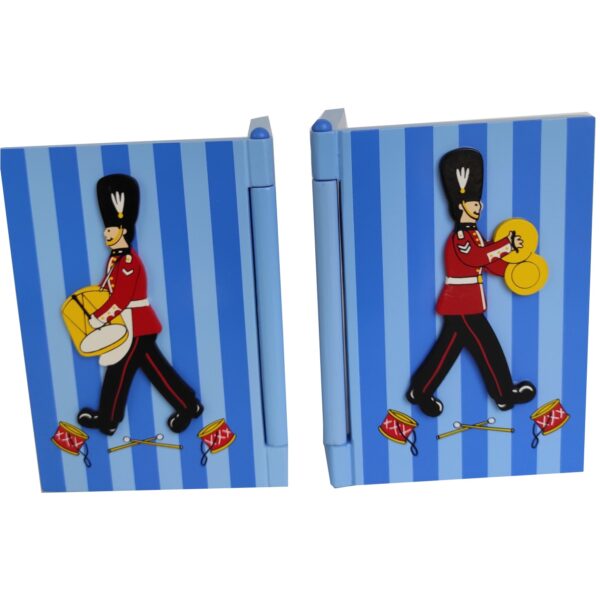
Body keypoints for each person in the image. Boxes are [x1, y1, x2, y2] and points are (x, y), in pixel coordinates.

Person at [406, 148, 536, 417]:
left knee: (447, 350)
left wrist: (514, 270)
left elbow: (487, 263)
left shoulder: (474, 235)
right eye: (474, 204)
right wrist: (506, 245)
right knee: (487, 347)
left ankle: (420, 391)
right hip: (461, 303)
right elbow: (477, 257)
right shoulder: (461, 238)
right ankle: (503, 394)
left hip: (465, 304)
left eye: (479, 203)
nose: (479, 207)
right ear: (460, 206)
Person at [77, 174, 203, 435]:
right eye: (106, 229)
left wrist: (99, 317)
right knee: (155, 370)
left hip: (137, 324)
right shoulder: (116, 260)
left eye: (110, 229)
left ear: (122, 231)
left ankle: (108, 420)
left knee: (119, 370)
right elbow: (106, 289)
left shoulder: (128, 262)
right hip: (131, 325)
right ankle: (189, 405)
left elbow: (121, 298)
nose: (105, 233)